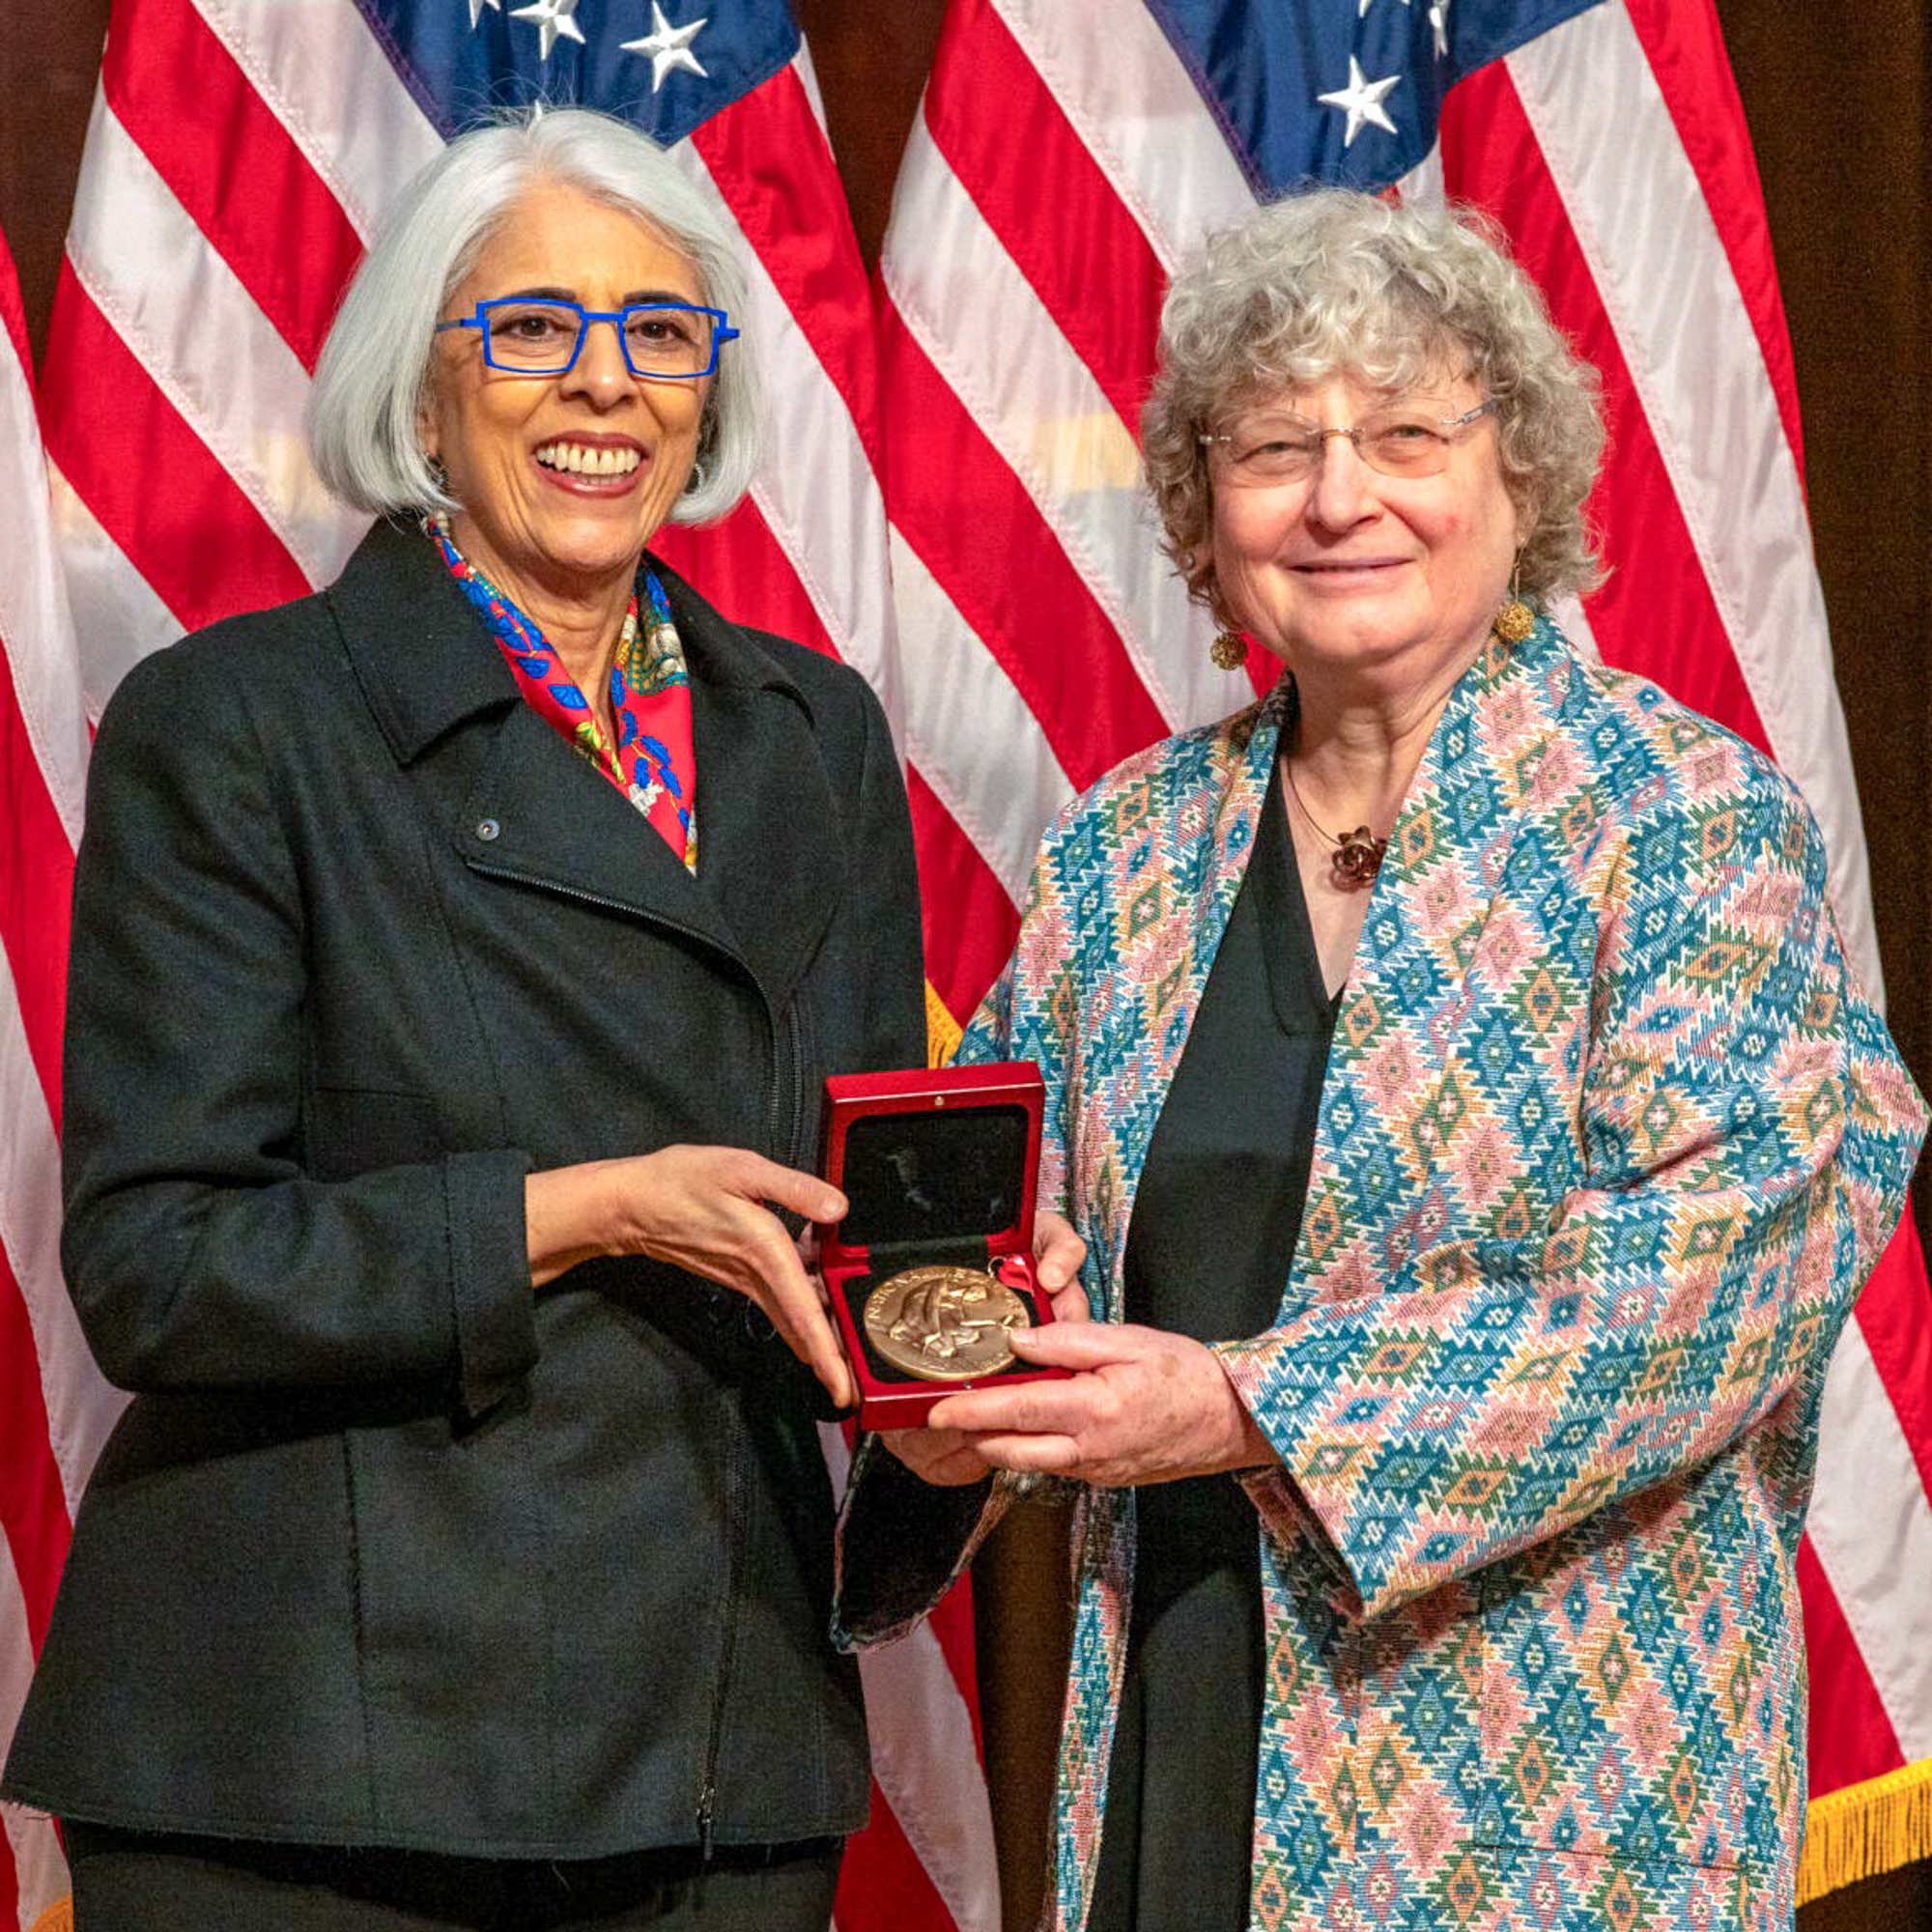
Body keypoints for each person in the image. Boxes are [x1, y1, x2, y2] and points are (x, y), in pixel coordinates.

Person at [837, 190, 1927, 1932]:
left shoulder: (1688, 820)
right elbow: (989, 1234)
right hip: (1172, 1735)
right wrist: (965, 1398)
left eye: (1408, 433)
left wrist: (1243, 1405)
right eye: (1276, 446)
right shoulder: (1127, 853)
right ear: (1212, 516)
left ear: (1522, 483)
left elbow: (1694, 1302)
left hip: (1538, 1806)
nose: (1341, 495)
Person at [2, 108, 928, 1930]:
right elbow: (159, 1263)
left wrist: (952, 1328)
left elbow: (856, 1202)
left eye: (662, 333)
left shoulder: (815, 738)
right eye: (532, 330)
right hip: (317, 1766)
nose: (607, 383)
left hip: (714, 1739)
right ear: (421, 391)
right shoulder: (237, 726)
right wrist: (582, 1210)